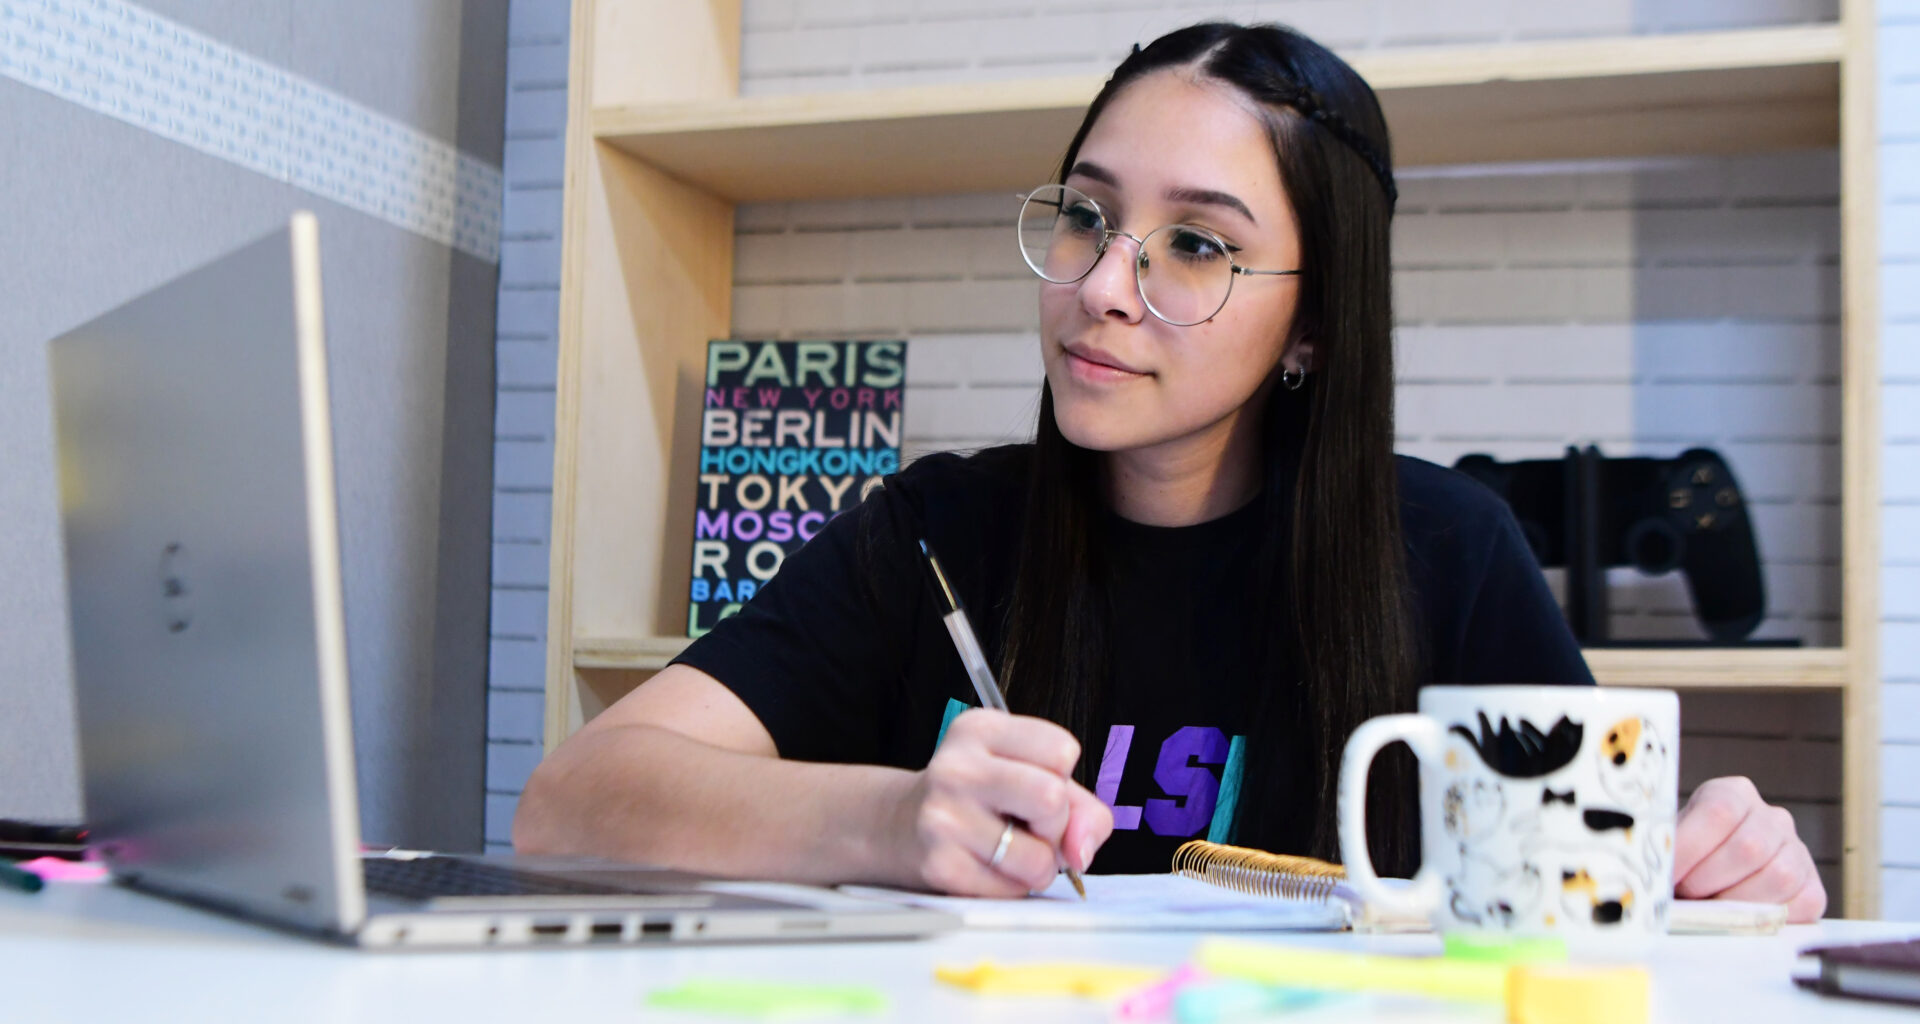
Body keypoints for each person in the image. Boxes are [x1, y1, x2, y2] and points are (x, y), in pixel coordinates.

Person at [515, 21, 1826, 922]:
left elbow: (1594, 887)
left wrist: (1724, 865)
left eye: (1195, 246)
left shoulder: (1449, 551)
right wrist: (891, 820)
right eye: (1087, 216)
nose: (1098, 287)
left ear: (1312, 325)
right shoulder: (936, 536)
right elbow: (570, 806)